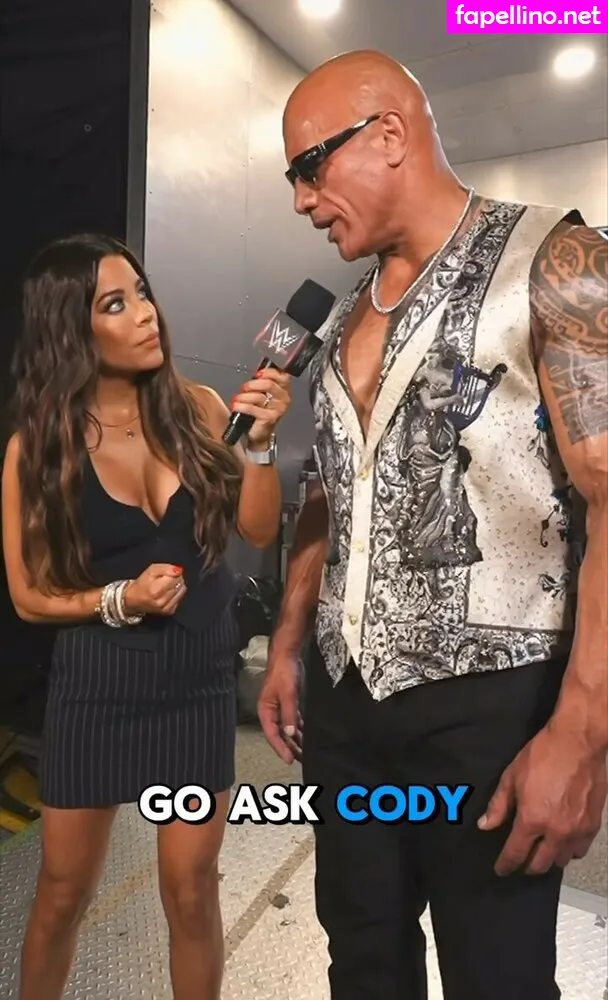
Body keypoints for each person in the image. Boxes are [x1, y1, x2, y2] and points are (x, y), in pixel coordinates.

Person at [258, 49, 608, 1000]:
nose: (302, 201)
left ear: (389, 135)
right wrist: (288, 640)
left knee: (497, 977)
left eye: (309, 167)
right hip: (346, 708)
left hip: (492, 708)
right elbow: (330, 493)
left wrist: (582, 732)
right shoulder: (338, 321)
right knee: (363, 959)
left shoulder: (558, 258)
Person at [1, 232, 291, 1000]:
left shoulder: (198, 408)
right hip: (97, 685)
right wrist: (118, 600)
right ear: (71, 328)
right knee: (63, 894)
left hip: (197, 678)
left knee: (191, 890)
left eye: (141, 292)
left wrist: (262, 447)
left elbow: (258, 529)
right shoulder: (38, 448)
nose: (144, 314)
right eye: (114, 303)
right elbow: (28, 594)